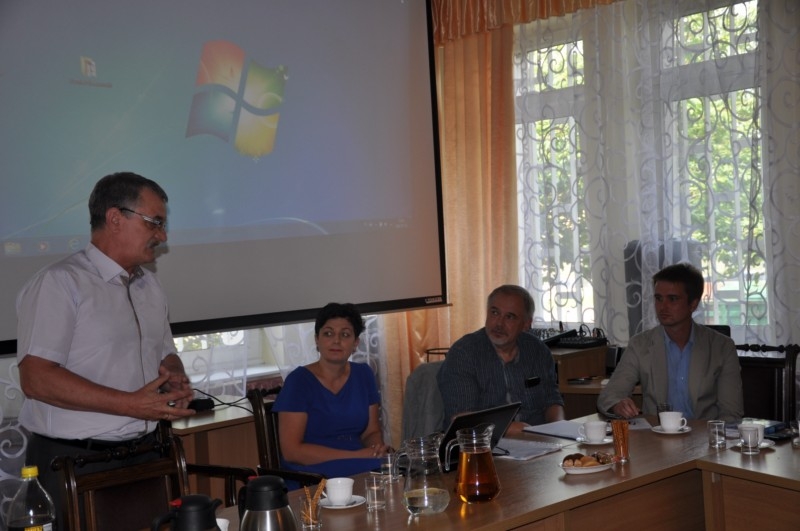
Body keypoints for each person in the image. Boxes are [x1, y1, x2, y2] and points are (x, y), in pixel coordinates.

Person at [16, 172, 196, 509]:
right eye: (154, 223)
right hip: (74, 460)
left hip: (144, 454)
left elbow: (164, 351)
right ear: (115, 218)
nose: (162, 235)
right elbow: (36, 379)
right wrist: (129, 404)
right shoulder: (60, 283)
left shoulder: (149, 286)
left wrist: (173, 373)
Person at [597, 263, 743, 422]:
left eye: (672, 299)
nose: (663, 307)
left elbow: (731, 412)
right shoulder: (640, 345)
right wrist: (617, 404)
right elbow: (609, 396)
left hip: (704, 433)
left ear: (693, 304)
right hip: (656, 433)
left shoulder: (722, 347)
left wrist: (712, 436)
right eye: (658, 298)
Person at [272, 302, 391, 478]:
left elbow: (370, 432)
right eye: (328, 333)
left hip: (359, 463)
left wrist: (375, 450)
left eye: (345, 334)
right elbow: (292, 451)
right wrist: (356, 456)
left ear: (355, 343)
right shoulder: (298, 381)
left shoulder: (363, 374)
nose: (336, 340)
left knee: (397, 468)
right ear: (317, 339)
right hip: (312, 472)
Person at [437, 285, 565, 435]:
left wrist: (559, 430)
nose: (499, 323)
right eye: (494, 313)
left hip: (538, 439)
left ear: (526, 324)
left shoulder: (537, 350)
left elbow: (552, 401)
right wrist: (511, 429)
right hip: (482, 444)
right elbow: (462, 419)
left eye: (509, 317)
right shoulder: (464, 353)